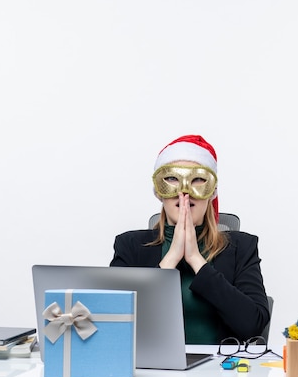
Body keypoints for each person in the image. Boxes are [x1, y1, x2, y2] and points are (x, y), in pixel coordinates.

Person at [110, 134, 270, 344]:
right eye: (172, 179)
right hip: (151, 374)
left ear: (211, 192)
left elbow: (252, 326)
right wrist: (169, 262)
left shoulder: (242, 248)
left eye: (198, 180)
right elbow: (114, 322)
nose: (184, 192)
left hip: (219, 372)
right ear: (159, 192)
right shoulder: (130, 247)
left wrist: (196, 260)